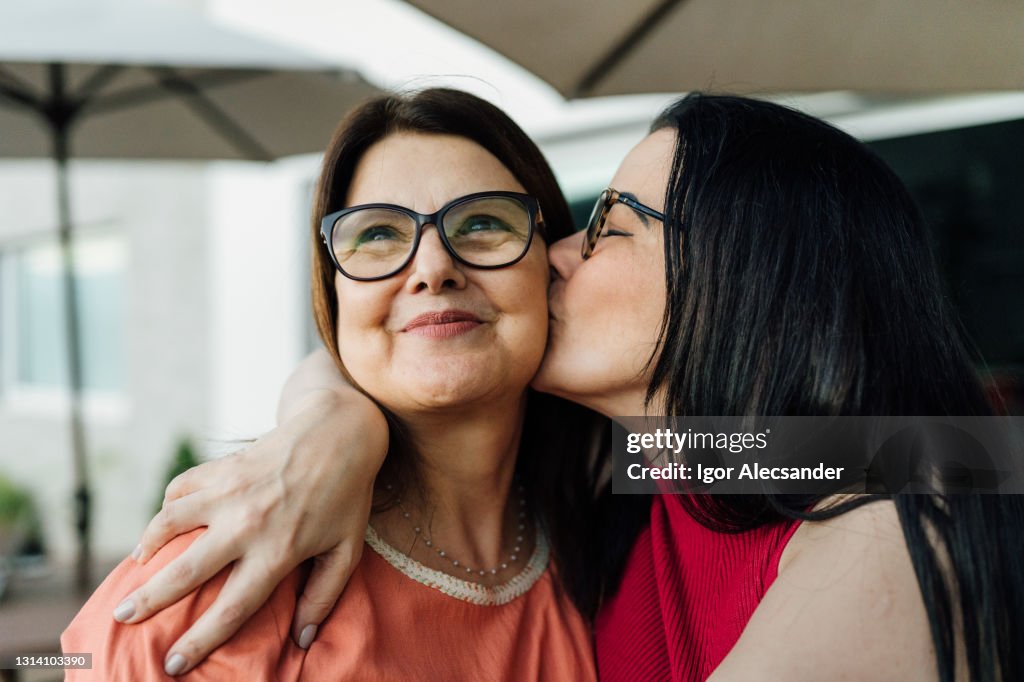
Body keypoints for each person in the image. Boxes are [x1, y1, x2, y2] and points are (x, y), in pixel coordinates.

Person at [104, 94, 1023, 680]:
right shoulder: (663, 469)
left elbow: (953, 455)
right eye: (377, 237)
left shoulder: (877, 512)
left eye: (612, 224)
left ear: (746, 274)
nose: (555, 255)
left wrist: (328, 427)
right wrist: (329, 421)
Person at [60, 88, 601, 680]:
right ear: (334, 294)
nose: (433, 269)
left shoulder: (619, 505)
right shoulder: (229, 569)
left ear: (554, 265)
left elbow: (718, 454)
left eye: (482, 224)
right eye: (377, 235)